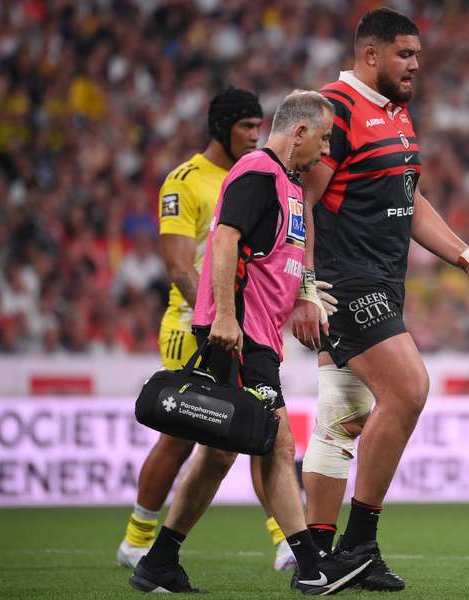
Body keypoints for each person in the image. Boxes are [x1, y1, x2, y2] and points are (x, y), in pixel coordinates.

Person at [287, 8, 469, 591]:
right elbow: (302, 201)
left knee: (342, 415)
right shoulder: (334, 108)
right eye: (405, 55)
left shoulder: (396, 115)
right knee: (410, 389)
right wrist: (305, 290)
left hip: (385, 283)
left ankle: (315, 558)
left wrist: (467, 259)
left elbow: (409, 200)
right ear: (371, 55)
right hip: (345, 284)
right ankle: (359, 542)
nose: (416, 64)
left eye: (417, 54)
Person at [129, 90, 373, 595]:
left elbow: (284, 257)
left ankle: (158, 562)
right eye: (324, 138)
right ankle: (311, 565)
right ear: (299, 132)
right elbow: (224, 239)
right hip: (236, 333)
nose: (327, 150)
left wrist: (305, 296)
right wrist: (222, 314)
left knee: (219, 454)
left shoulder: (288, 182)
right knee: (276, 443)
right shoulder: (259, 172)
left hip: (258, 334)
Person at [117, 87, 300, 572]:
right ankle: (139, 539)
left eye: (259, 126)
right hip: (193, 324)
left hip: (237, 323)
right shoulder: (186, 181)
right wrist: (219, 310)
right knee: (188, 435)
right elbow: (178, 264)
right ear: (220, 128)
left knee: (244, 430)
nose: (254, 135)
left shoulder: (265, 174)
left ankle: (283, 538)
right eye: (245, 126)